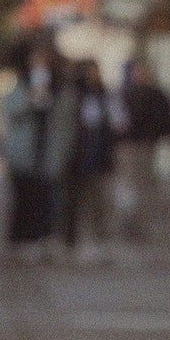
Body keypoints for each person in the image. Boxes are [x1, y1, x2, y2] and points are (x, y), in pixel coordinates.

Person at [0, 39, 76, 257]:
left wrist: (64, 152)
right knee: (23, 198)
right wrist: (30, 99)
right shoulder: (20, 84)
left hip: (49, 153)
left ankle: (43, 239)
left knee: (47, 200)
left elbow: (67, 123)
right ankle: (20, 240)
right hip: (23, 154)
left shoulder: (61, 89)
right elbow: (9, 111)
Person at [113, 59, 170, 240]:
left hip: (146, 146)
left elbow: (165, 120)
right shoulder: (124, 94)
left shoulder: (155, 95)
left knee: (142, 185)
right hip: (128, 146)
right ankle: (128, 220)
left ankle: (136, 222)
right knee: (128, 184)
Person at [62, 58, 117, 259]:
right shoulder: (74, 95)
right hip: (77, 155)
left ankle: (99, 241)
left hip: (98, 156)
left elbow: (113, 124)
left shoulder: (105, 96)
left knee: (98, 202)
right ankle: (70, 241)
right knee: (73, 201)